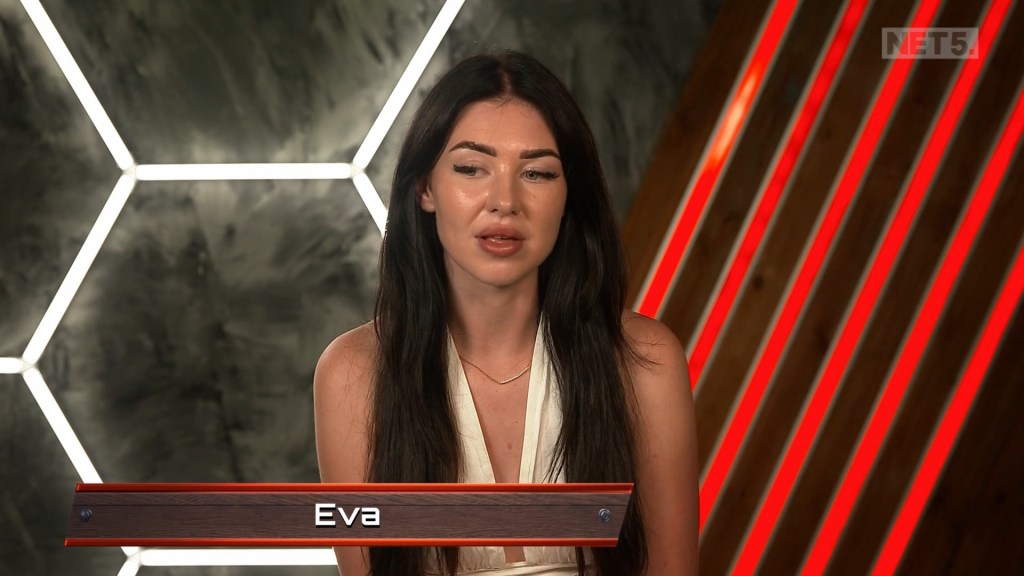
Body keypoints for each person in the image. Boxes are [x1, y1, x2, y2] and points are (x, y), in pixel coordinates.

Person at [314, 50, 698, 576]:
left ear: (570, 195)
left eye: (537, 173)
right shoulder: (353, 373)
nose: (505, 201)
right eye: (471, 169)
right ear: (425, 189)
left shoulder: (643, 360)